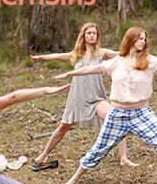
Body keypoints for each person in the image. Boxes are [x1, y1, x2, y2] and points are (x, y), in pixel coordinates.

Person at [54, 26, 157, 184]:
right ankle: (73, 180)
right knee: (97, 150)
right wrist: (70, 74)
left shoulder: (149, 61)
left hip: (141, 112)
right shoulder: (117, 61)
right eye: (140, 38)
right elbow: (93, 68)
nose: (143, 41)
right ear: (131, 39)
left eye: (144, 39)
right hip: (117, 113)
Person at [31, 22, 137, 168]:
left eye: (94, 33)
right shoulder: (77, 54)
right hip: (77, 97)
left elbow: (121, 55)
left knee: (116, 119)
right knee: (63, 127)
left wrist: (136, 51)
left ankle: (124, 158)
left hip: (96, 97)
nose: (92, 35)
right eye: (89, 33)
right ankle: (44, 154)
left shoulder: (102, 53)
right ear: (84, 36)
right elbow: (59, 56)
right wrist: (42, 57)